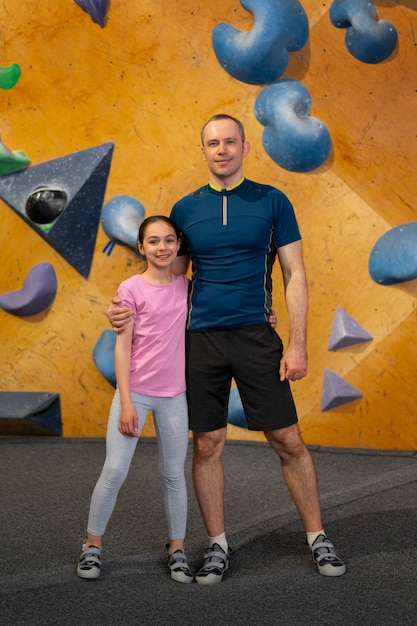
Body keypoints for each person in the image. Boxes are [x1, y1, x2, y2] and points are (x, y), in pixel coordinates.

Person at [108, 114, 346, 585]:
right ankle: (217, 545)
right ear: (203, 151)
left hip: (257, 336)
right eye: (212, 143)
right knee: (208, 443)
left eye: (230, 141)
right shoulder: (185, 208)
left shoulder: (273, 201)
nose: (221, 149)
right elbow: (167, 280)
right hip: (199, 342)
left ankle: (317, 536)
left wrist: (297, 342)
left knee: (288, 440)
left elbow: (294, 274)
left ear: (245, 147)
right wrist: (125, 310)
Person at [77, 216, 193, 584]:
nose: (163, 248)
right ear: (141, 247)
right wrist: (127, 402)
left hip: (174, 396)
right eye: (154, 241)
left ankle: (177, 550)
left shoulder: (187, 288)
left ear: (177, 245)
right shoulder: (129, 289)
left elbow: (219, 319)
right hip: (136, 395)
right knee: (114, 470)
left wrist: (264, 317)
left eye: (169, 240)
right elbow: (122, 348)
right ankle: (92, 546)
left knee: (174, 475)